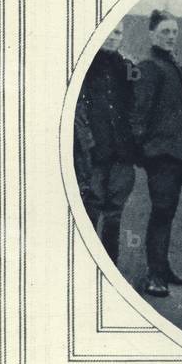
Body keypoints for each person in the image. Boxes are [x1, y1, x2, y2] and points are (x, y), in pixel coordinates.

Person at [130, 10, 182, 297]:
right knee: (161, 211)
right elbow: (139, 112)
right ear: (152, 34)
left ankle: (163, 267)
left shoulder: (173, 66)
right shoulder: (149, 66)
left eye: (174, 32)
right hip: (160, 155)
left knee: (167, 212)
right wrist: (144, 152)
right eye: (165, 32)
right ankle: (154, 275)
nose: (171, 37)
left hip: (177, 155)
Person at [76, 22, 137, 266]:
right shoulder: (84, 67)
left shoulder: (127, 67)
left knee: (114, 214)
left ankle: (110, 266)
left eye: (118, 33)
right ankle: (87, 265)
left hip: (121, 154)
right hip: (94, 154)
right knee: (90, 208)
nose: (113, 37)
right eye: (109, 33)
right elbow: (78, 112)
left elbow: (137, 104)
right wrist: (87, 143)